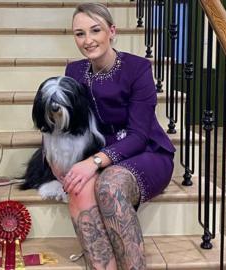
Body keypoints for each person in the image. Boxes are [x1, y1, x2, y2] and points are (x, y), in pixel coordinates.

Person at [52, 3, 176, 270]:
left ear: (112, 31)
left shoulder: (138, 68)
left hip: (147, 152)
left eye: (95, 30)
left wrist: (93, 162)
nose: (88, 40)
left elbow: (138, 135)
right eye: (79, 33)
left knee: (109, 186)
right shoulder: (73, 72)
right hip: (101, 153)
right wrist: (55, 155)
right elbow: (67, 123)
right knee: (78, 187)